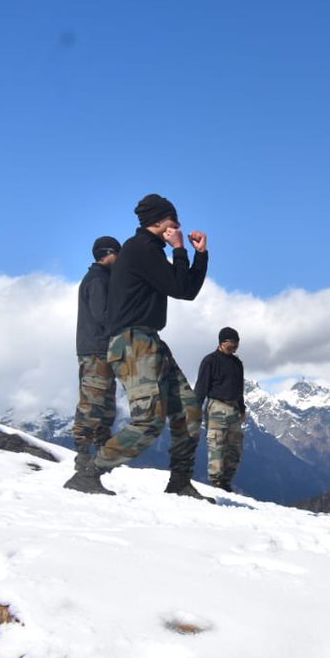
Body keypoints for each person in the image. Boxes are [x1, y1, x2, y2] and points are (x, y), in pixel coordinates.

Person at [63, 194, 211, 501]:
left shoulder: (150, 251)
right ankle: (89, 473)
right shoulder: (139, 249)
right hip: (132, 342)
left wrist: (200, 255)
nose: (178, 225)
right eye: (173, 220)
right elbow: (178, 288)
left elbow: (187, 290)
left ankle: (180, 482)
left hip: (150, 339)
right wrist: (179, 249)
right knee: (148, 421)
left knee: (189, 411)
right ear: (158, 221)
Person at [70, 236, 120, 478]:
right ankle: (84, 455)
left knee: (105, 403)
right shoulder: (99, 279)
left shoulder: (100, 278)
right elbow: (103, 315)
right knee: (93, 401)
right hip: (96, 349)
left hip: (101, 349)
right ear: (108, 253)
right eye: (118, 253)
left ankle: (101, 455)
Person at [195, 327, 245, 492]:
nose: (235, 346)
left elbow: (239, 387)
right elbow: (201, 387)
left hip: (234, 407)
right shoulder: (210, 360)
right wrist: (195, 409)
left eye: (237, 343)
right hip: (216, 406)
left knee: (235, 447)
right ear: (222, 342)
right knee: (216, 446)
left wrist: (242, 408)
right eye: (232, 342)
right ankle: (217, 483)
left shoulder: (237, 363)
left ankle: (226, 481)